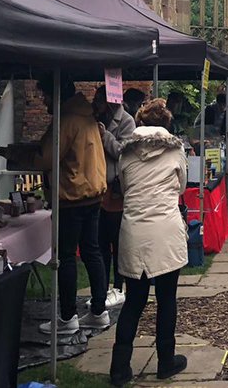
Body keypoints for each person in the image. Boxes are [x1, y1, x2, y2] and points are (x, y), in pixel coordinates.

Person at [0, 74, 109, 336]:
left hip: (72, 196)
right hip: (91, 193)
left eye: (45, 96)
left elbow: (46, 158)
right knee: (92, 252)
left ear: (56, 94)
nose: (44, 102)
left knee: (67, 257)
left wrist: (18, 154)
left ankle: (68, 316)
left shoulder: (67, 119)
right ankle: (98, 311)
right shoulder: (86, 115)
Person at [109, 98, 189, 385]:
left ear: (140, 123)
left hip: (134, 231)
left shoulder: (126, 154)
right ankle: (166, 360)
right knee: (167, 299)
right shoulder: (176, 151)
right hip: (165, 231)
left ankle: (119, 368)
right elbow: (180, 187)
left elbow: (124, 185)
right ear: (167, 124)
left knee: (134, 300)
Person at [94, 86, 137, 310]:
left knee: (117, 243)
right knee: (99, 244)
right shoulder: (96, 118)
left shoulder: (127, 121)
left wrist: (105, 136)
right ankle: (101, 288)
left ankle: (118, 286)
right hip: (98, 188)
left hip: (116, 190)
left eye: (99, 100)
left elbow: (124, 152)